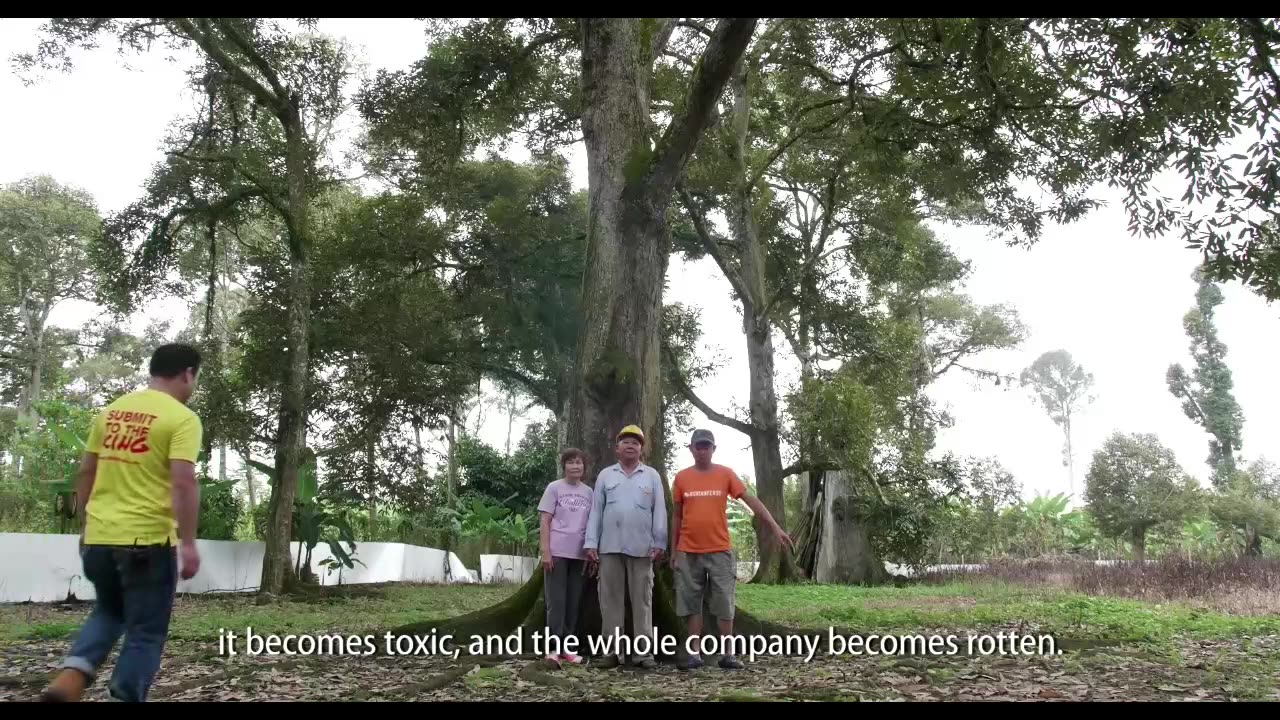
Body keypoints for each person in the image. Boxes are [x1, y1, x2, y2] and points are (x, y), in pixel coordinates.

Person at [40, 343, 205, 702]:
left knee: (110, 611)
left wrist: (87, 526)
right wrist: (189, 543)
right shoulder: (181, 418)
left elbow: (86, 471)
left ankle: (72, 676)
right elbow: (183, 481)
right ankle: (125, 696)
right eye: (195, 379)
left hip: (99, 539)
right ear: (187, 374)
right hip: (146, 542)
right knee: (146, 632)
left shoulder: (112, 412)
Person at [671, 428, 792, 671]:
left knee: (725, 603)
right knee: (691, 603)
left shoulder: (725, 474)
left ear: (713, 449)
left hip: (720, 551)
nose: (702, 450)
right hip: (688, 551)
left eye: (707, 446)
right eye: (698, 446)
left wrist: (775, 528)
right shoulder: (682, 478)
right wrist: (673, 551)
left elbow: (752, 501)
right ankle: (695, 654)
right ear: (691, 449)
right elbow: (676, 515)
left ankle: (728, 654)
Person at [583, 424, 666, 669]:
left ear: (642, 449)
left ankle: (643, 653)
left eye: (636, 442)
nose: (631, 445)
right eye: (626, 442)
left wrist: (660, 541)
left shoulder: (651, 475)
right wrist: (591, 542)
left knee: (642, 600)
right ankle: (611, 652)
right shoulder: (606, 475)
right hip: (609, 547)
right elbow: (596, 511)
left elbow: (659, 510)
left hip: (643, 548)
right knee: (609, 600)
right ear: (617, 448)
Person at [537, 447, 594, 667]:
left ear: (584, 467)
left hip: (579, 555)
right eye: (570, 462)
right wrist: (546, 551)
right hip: (557, 554)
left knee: (573, 603)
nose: (575, 466)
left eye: (579, 462)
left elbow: (592, 523)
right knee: (556, 603)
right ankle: (552, 649)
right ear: (564, 466)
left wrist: (591, 552)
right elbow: (545, 521)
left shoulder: (589, 492)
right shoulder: (554, 488)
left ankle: (567, 650)